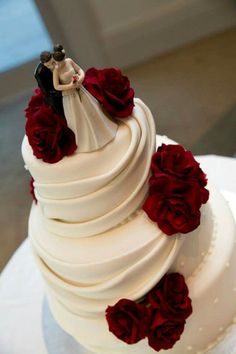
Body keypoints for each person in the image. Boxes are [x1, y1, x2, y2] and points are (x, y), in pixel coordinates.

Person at [52, 44, 118, 152]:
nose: (62, 63)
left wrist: (80, 79)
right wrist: (70, 86)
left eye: (63, 60)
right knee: (78, 117)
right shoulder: (56, 70)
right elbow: (56, 86)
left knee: (92, 111)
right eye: (60, 62)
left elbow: (80, 70)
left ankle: (102, 132)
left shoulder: (69, 61)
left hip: (80, 89)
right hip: (70, 96)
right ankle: (86, 143)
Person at [34, 51, 64, 117]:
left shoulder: (56, 60)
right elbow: (46, 91)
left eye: (53, 63)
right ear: (42, 63)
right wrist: (60, 92)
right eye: (48, 65)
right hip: (54, 97)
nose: (51, 66)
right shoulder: (39, 73)